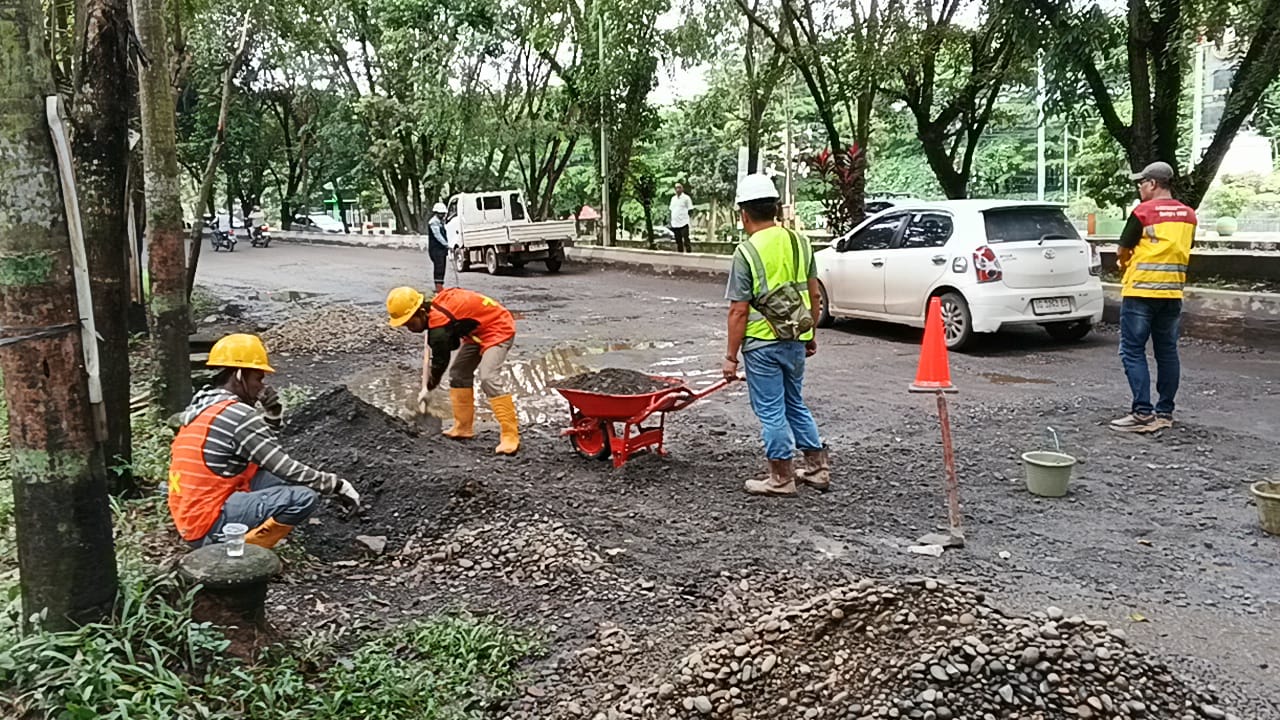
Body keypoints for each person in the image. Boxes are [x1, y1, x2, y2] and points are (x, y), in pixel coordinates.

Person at [168, 334, 360, 548]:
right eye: (258, 379)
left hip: (191, 511)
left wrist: (272, 414)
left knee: (282, 480)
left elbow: (258, 453)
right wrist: (336, 485)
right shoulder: (237, 415)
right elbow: (282, 466)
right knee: (303, 497)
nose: (261, 387)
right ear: (239, 375)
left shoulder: (204, 406)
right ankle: (241, 548)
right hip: (206, 521)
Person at [722, 173, 829, 495]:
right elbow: (813, 295)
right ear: (776, 208)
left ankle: (781, 478)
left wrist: (730, 357)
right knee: (794, 402)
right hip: (796, 337)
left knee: (770, 409)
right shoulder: (800, 242)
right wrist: (809, 335)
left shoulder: (747, 252)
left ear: (743, 214)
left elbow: (739, 311)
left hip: (761, 345)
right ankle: (817, 469)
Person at [1111, 161, 1197, 433]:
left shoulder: (1143, 212)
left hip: (1140, 292)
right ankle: (1165, 413)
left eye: (1142, 182)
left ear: (1153, 184)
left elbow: (1122, 249)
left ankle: (1142, 413)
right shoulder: (1189, 215)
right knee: (1167, 352)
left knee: (1132, 350)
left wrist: (1124, 265)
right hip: (1172, 293)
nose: (1139, 186)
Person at [386, 286, 520, 455]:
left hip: (498, 328)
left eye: (411, 323)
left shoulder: (438, 328)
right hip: (476, 332)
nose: (410, 328)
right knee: (458, 373)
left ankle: (510, 435)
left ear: (421, 312)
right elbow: (454, 343)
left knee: (488, 377)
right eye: (405, 325)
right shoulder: (433, 313)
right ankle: (463, 427)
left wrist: (429, 386)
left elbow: (441, 361)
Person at [427, 202, 450, 292]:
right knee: (439, 267)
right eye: (441, 213)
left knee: (442, 266)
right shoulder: (433, 223)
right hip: (436, 249)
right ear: (436, 213)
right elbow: (438, 236)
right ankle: (438, 286)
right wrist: (446, 244)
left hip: (441, 249)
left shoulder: (441, 222)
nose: (443, 215)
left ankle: (440, 285)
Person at [669, 183, 694, 253]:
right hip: (675, 223)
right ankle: (680, 254)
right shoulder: (673, 199)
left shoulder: (686, 198)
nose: (677, 189)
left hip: (684, 222)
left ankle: (689, 253)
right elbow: (671, 209)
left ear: (682, 189)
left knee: (686, 239)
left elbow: (690, 209)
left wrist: (689, 219)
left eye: (679, 187)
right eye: (676, 188)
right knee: (678, 240)